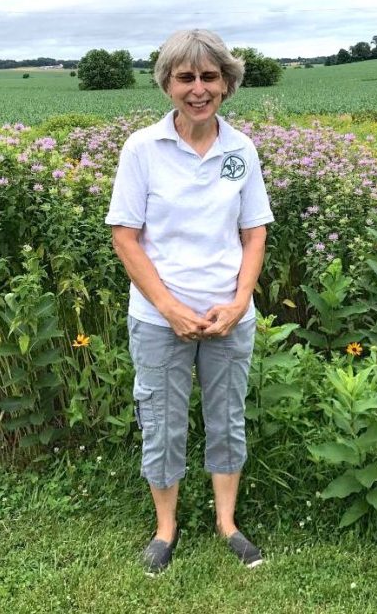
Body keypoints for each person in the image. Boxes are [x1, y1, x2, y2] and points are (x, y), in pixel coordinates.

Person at [105, 29, 274, 575]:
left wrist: (238, 300)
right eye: (186, 77)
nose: (198, 89)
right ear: (167, 84)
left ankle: (227, 522)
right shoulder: (142, 149)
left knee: (227, 418)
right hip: (158, 318)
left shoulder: (240, 149)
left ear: (227, 83)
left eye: (209, 77)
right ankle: (165, 527)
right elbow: (125, 236)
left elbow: (254, 232)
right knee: (162, 419)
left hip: (229, 315)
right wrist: (170, 308)